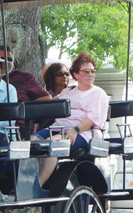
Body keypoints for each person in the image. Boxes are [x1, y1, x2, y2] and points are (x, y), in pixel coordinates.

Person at [32, 53, 109, 185]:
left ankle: (38, 184)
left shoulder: (98, 93)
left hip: (83, 131)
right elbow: (51, 105)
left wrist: (75, 130)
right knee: (30, 141)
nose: (90, 74)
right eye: (86, 71)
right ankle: (24, 181)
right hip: (58, 127)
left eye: (92, 71)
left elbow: (92, 118)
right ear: (76, 74)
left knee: (51, 144)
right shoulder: (68, 91)